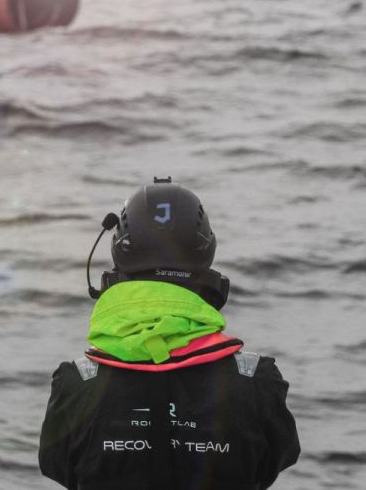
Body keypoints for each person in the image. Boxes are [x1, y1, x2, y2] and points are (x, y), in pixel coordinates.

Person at [39, 178, 300, 490]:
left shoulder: (74, 384)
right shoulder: (258, 381)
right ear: (207, 258)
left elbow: (57, 465)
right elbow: (274, 461)